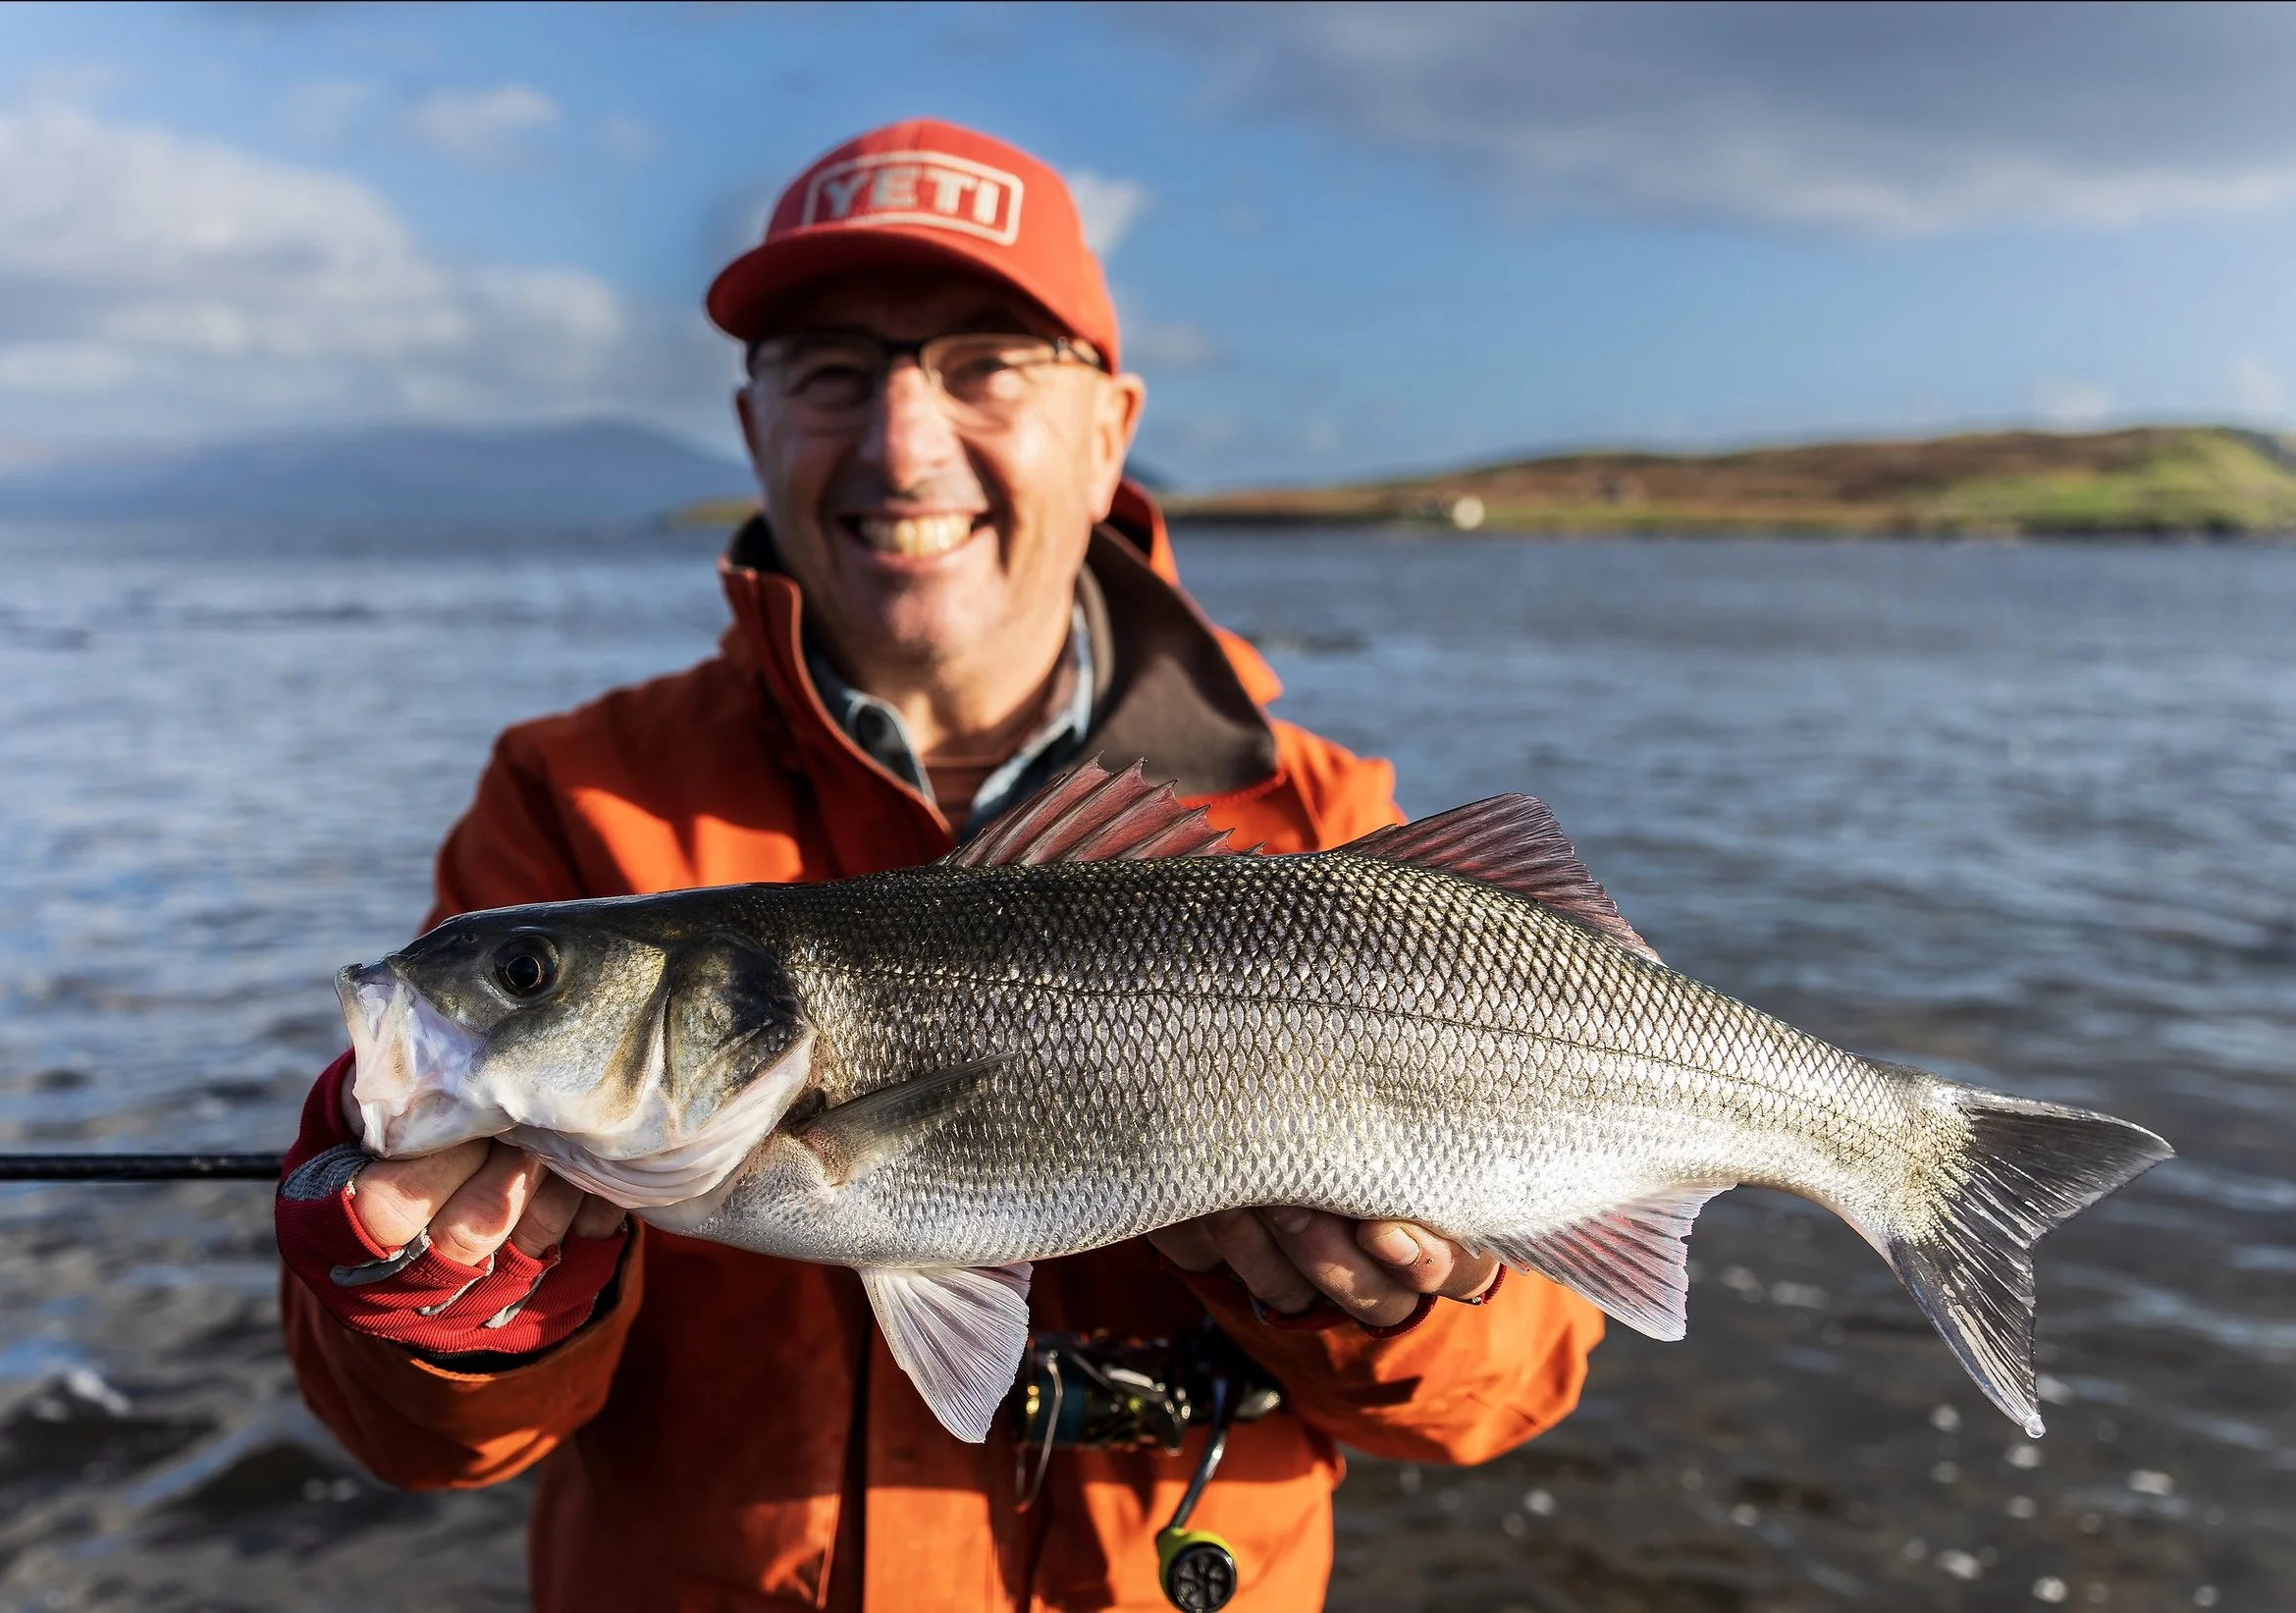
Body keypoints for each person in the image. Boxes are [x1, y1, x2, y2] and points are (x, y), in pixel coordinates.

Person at [275, 120, 1602, 1612]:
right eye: (832, 372)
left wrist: (1406, 1308)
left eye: (986, 365)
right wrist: (441, 1308)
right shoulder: (574, 795)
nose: (904, 445)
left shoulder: (1325, 825)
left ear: (1110, 429)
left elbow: (1510, 1391)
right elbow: (427, 1442)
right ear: (753, 426)